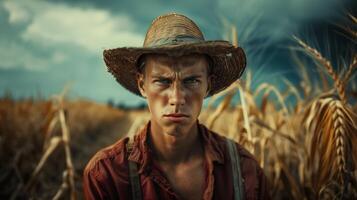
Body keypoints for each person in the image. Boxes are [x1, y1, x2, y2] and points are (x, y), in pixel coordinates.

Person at [83, 13, 270, 200]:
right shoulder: (108, 175)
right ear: (142, 85)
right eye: (162, 81)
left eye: (192, 81)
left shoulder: (245, 172)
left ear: (208, 85)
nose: (177, 98)